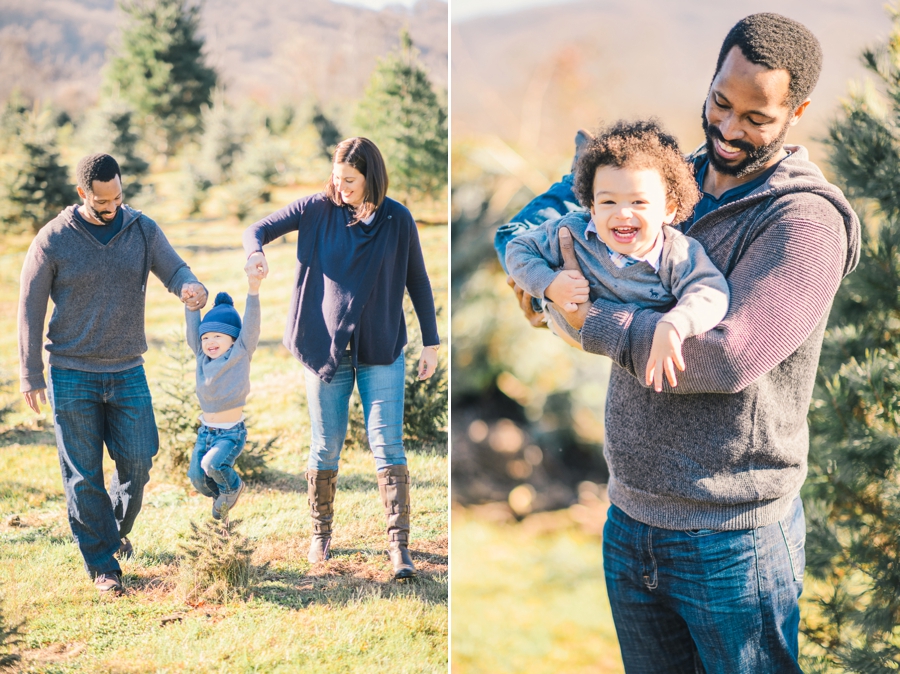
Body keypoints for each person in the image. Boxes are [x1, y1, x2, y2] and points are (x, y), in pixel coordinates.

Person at [497, 14, 860, 673]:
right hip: (631, 516)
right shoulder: (664, 187)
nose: (728, 128)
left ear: (797, 112)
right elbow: (582, 248)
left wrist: (588, 324)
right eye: (721, 102)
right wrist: (546, 287)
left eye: (756, 117)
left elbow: (726, 356)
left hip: (734, 538)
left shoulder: (804, 221)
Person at [242, 137, 440, 580]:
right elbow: (256, 229)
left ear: (372, 176)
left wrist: (431, 341)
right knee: (326, 444)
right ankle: (320, 534)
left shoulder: (397, 219)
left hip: (381, 347)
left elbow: (418, 280)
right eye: (337, 177)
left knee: (387, 445)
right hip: (325, 346)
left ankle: (399, 548)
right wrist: (254, 253)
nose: (341, 186)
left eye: (350, 180)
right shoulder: (316, 209)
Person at [17, 153, 207, 595]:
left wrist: (188, 285)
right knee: (83, 475)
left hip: (127, 370)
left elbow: (174, 268)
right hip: (71, 373)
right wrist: (30, 373)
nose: (113, 206)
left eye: (119, 196)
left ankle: (113, 528)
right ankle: (103, 565)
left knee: (139, 461)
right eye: (103, 200)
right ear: (83, 193)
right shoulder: (54, 239)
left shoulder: (140, 228)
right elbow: (29, 306)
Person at [506, 120, 730, 391]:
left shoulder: (676, 253)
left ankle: (586, 173)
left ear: (668, 210)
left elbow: (710, 291)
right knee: (507, 235)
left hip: (574, 327)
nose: (623, 213)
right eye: (609, 202)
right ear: (592, 208)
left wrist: (675, 322)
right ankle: (578, 178)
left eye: (638, 202)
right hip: (551, 294)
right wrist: (551, 285)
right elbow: (518, 250)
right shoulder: (573, 230)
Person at [185, 263, 263, 519]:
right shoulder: (201, 356)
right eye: (206, 338)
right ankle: (223, 496)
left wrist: (253, 290)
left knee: (212, 464)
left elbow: (250, 325)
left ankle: (233, 488)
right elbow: (192, 332)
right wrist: (191, 306)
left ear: (233, 339)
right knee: (196, 477)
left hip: (230, 433)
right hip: (205, 431)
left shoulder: (241, 352)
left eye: (217, 336)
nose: (210, 342)